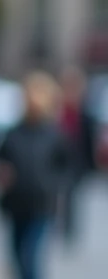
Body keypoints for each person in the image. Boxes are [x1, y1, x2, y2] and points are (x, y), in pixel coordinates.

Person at [0, 71, 70, 279]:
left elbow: (66, 167)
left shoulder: (54, 134)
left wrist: (53, 186)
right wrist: (2, 175)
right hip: (15, 204)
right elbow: (0, 161)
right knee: (15, 257)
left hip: (41, 205)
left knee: (30, 256)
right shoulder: (13, 132)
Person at [56, 65, 96, 246]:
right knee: (58, 194)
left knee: (72, 197)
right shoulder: (57, 110)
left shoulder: (84, 113)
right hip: (58, 161)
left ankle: (69, 229)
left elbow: (88, 141)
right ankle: (60, 225)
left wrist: (90, 165)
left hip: (76, 162)